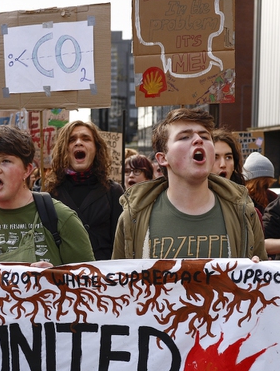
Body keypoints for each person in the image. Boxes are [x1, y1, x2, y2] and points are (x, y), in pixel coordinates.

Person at [112, 108, 267, 260]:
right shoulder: (134, 215)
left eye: (205, 137)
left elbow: (265, 280)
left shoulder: (243, 211)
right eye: (184, 137)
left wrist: (255, 273)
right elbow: (118, 280)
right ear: (162, 158)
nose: (198, 140)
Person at [0, 125, 94, 265]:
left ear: (27, 170)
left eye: (6, 161)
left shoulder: (62, 218)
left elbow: (91, 280)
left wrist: (56, 278)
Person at [42, 120, 123, 260]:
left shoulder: (113, 191)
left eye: (86, 138)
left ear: (96, 148)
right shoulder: (48, 192)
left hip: (101, 276)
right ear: (63, 149)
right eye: (72, 139)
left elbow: (120, 243)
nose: (79, 143)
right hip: (64, 276)